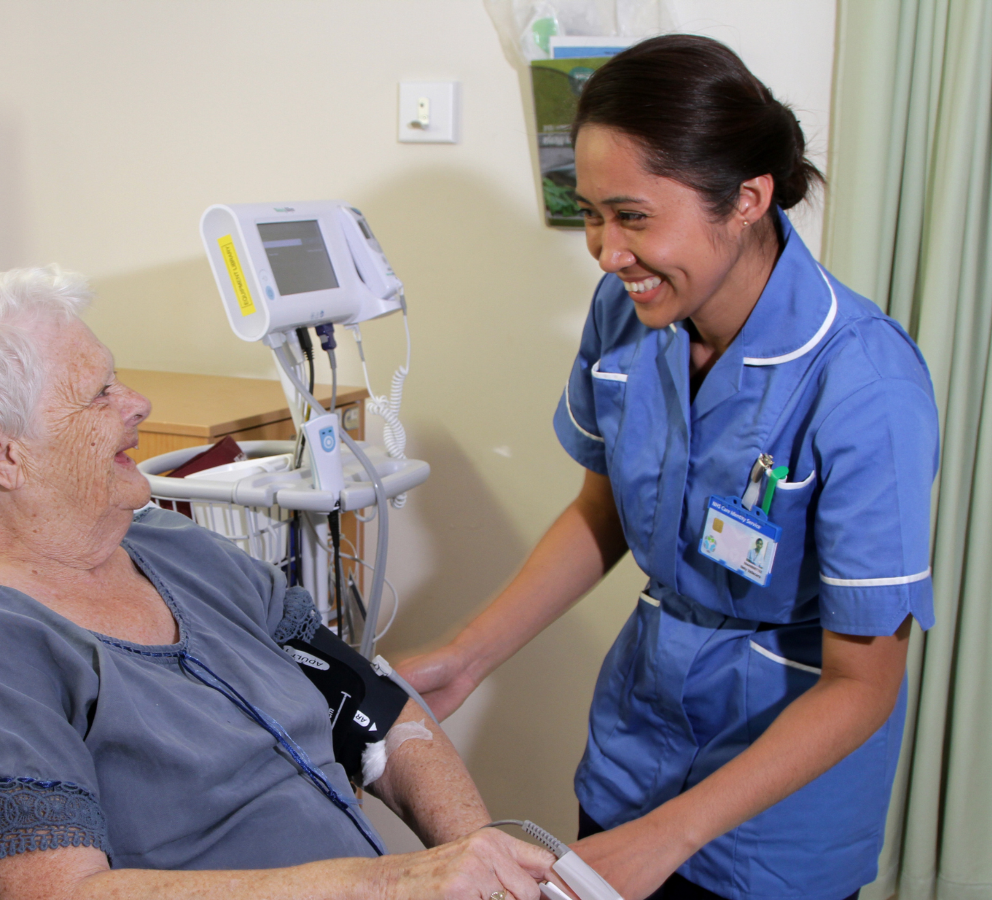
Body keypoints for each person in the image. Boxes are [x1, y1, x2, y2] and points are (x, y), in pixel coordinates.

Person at [399, 35, 938, 900]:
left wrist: (669, 838)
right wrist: (467, 656)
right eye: (592, 214)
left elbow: (865, 683)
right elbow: (601, 514)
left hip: (776, 827)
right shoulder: (629, 313)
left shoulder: (865, 385)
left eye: (635, 216)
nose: (607, 253)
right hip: (631, 756)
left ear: (749, 198)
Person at [0, 267, 554, 900]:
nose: (138, 403)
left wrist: (481, 861)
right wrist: (392, 883)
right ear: (1, 452)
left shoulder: (171, 544)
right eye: (99, 394)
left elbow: (371, 709)